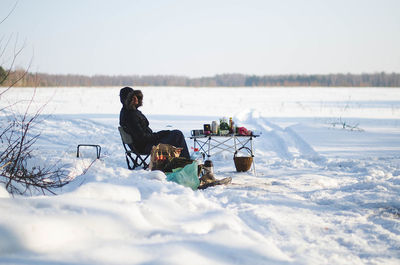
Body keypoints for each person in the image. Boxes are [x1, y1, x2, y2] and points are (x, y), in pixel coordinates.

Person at [119, 86, 190, 159]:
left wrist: (160, 134)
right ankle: (186, 161)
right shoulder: (130, 115)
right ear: (127, 99)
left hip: (144, 144)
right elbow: (143, 137)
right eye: (133, 97)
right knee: (177, 134)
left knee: (173, 134)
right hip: (145, 146)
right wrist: (160, 134)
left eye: (136, 96)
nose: (136, 99)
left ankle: (179, 161)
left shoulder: (128, 112)